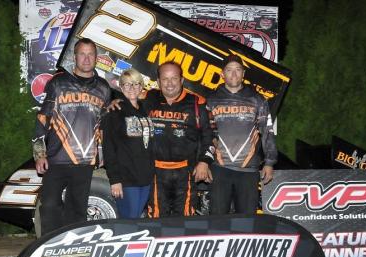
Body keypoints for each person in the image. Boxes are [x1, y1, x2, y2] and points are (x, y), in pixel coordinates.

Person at [32, 38, 111, 236]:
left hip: (85, 161)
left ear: (96, 58)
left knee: (77, 211)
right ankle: (49, 246)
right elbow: (43, 118)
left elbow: (104, 125)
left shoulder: (103, 87)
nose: (86, 58)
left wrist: (102, 155)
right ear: (74, 57)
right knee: (49, 206)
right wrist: (39, 154)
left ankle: (73, 248)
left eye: (90, 54)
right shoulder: (58, 83)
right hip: (56, 158)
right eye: (82, 54)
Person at [206, 54, 277, 215]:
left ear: (243, 74)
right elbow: (206, 134)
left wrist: (269, 162)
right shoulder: (211, 100)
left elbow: (268, 131)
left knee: (247, 221)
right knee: (217, 220)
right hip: (219, 168)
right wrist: (204, 162)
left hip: (249, 170)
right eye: (229, 70)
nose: (234, 74)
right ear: (222, 74)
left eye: (238, 70)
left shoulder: (257, 100)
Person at [145, 62, 215, 217]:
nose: (170, 84)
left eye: (174, 78)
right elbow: (128, 106)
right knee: (156, 219)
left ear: (182, 80)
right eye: (165, 79)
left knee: (185, 220)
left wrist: (204, 162)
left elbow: (209, 137)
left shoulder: (197, 103)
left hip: (186, 173)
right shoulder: (148, 98)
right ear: (158, 81)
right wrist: (117, 103)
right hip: (155, 172)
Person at [102, 68, 154, 218]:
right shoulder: (114, 112)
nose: (132, 88)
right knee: (129, 222)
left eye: (136, 84)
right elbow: (108, 148)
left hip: (146, 177)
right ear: (121, 87)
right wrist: (115, 180)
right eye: (127, 84)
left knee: (138, 218)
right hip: (126, 179)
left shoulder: (147, 109)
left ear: (142, 86)